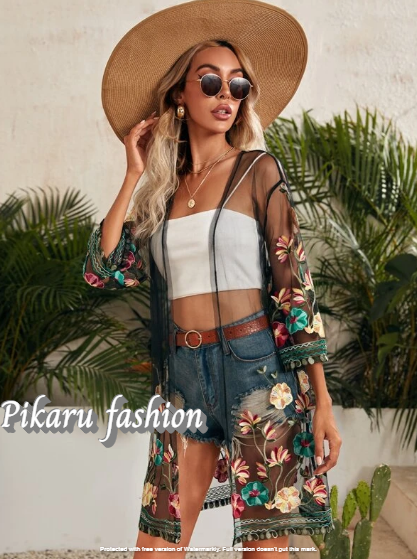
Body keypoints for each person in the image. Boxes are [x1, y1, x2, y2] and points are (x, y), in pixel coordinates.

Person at [83, 0, 342, 556]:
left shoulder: (257, 171)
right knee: (156, 546)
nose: (226, 94)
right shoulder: (161, 192)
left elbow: (293, 286)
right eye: (210, 81)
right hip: (183, 375)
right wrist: (133, 172)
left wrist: (321, 399)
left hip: (256, 369)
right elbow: (104, 271)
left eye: (237, 85)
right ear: (180, 94)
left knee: (264, 549)